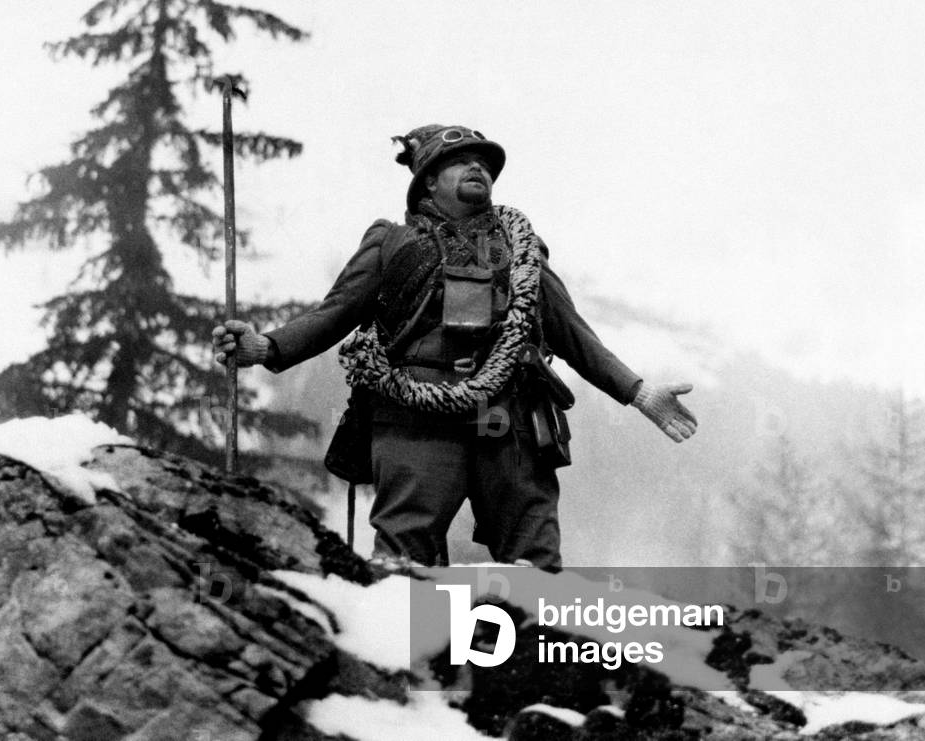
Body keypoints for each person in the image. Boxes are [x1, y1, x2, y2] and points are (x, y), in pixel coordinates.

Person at [212, 124, 697, 571]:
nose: (477, 168)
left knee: (536, 562)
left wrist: (638, 392)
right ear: (428, 180)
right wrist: (266, 347)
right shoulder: (391, 242)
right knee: (404, 561)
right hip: (414, 421)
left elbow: (572, 333)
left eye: (484, 163)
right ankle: (402, 636)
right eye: (461, 161)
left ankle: (530, 639)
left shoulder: (522, 249)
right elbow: (334, 313)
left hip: (511, 423)